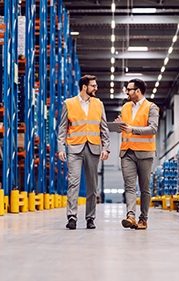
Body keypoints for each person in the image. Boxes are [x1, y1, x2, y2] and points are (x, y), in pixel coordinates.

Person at [57, 75, 110, 230]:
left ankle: (90, 218)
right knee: (73, 183)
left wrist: (106, 147)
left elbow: (104, 128)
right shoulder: (68, 103)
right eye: (93, 85)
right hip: (74, 148)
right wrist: (61, 148)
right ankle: (72, 217)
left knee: (92, 186)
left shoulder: (99, 104)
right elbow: (62, 128)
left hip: (93, 147)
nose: (96, 88)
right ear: (85, 87)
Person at [114, 78, 159, 230]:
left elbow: (153, 129)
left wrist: (131, 129)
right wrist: (119, 124)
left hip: (145, 153)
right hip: (127, 151)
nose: (127, 92)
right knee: (129, 186)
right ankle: (131, 216)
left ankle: (143, 219)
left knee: (144, 188)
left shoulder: (151, 107)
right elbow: (126, 126)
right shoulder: (125, 107)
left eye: (129, 89)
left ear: (138, 91)